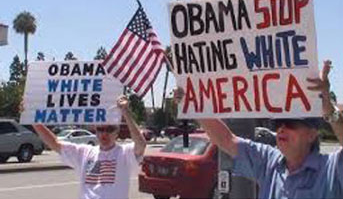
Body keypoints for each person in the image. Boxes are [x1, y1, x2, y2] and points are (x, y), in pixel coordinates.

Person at [174, 60, 343, 198]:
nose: (282, 129)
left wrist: (329, 110)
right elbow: (226, 140)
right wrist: (193, 105)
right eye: (278, 123)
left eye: (291, 123)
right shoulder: (269, 161)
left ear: (312, 134)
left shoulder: (331, 169)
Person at [31, 95, 146, 199]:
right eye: (100, 129)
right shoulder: (84, 152)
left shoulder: (125, 153)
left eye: (109, 129)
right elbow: (55, 143)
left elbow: (141, 144)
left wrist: (126, 113)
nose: (104, 134)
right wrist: (32, 118)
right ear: (95, 131)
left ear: (117, 132)